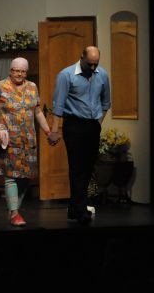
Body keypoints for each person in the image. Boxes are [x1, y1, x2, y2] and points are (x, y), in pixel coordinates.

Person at [48, 46, 111, 226]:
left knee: (88, 167)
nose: (92, 68)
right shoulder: (66, 75)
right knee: (77, 167)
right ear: (81, 57)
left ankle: (74, 207)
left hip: (92, 125)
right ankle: (81, 210)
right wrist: (54, 130)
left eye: (95, 64)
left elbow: (106, 102)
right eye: (89, 64)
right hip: (74, 125)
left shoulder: (102, 75)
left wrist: (98, 124)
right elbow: (58, 104)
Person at [0, 57, 51, 227]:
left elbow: (38, 112)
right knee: (11, 177)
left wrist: (48, 131)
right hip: (8, 140)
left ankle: (13, 209)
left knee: (25, 177)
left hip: (28, 140)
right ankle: (15, 213)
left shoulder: (32, 87)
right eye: (16, 71)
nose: (19, 74)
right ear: (10, 71)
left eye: (23, 71)